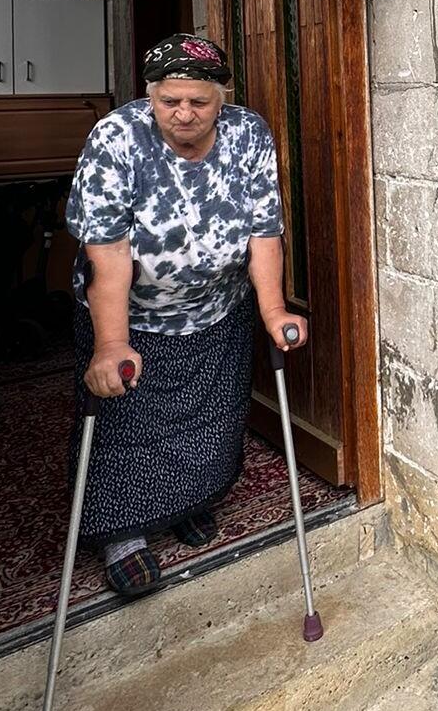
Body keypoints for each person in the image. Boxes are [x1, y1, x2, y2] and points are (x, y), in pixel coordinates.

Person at [64, 33, 308, 595]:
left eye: (199, 102)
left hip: (217, 309)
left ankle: (186, 502)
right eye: (169, 100)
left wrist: (272, 309)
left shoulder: (249, 134)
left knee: (209, 419)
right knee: (126, 424)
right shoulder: (117, 139)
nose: (183, 114)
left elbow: (264, 230)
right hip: (131, 315)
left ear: (221, 98)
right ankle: (123, 532)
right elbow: (107, 252)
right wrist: (109, 345)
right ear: (150, 96)